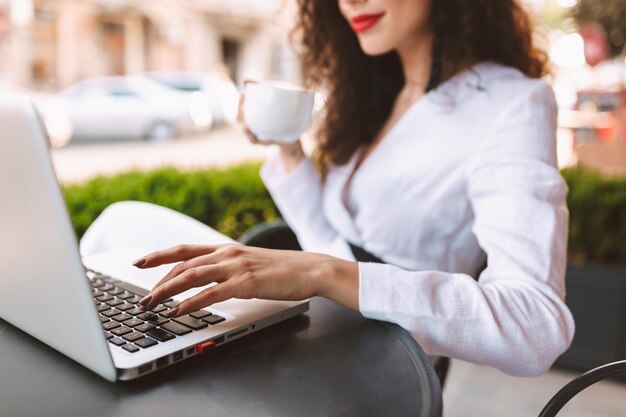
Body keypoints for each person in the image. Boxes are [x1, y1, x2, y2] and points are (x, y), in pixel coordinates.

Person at [81, 0, 575, 377]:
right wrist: (289, 151)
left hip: (377, 353)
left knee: (123, 232)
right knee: (120, 227)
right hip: (317, 316)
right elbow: (326, 241)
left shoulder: (512, 103)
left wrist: (326, 273)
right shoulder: (380, 91)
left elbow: (535, 324)